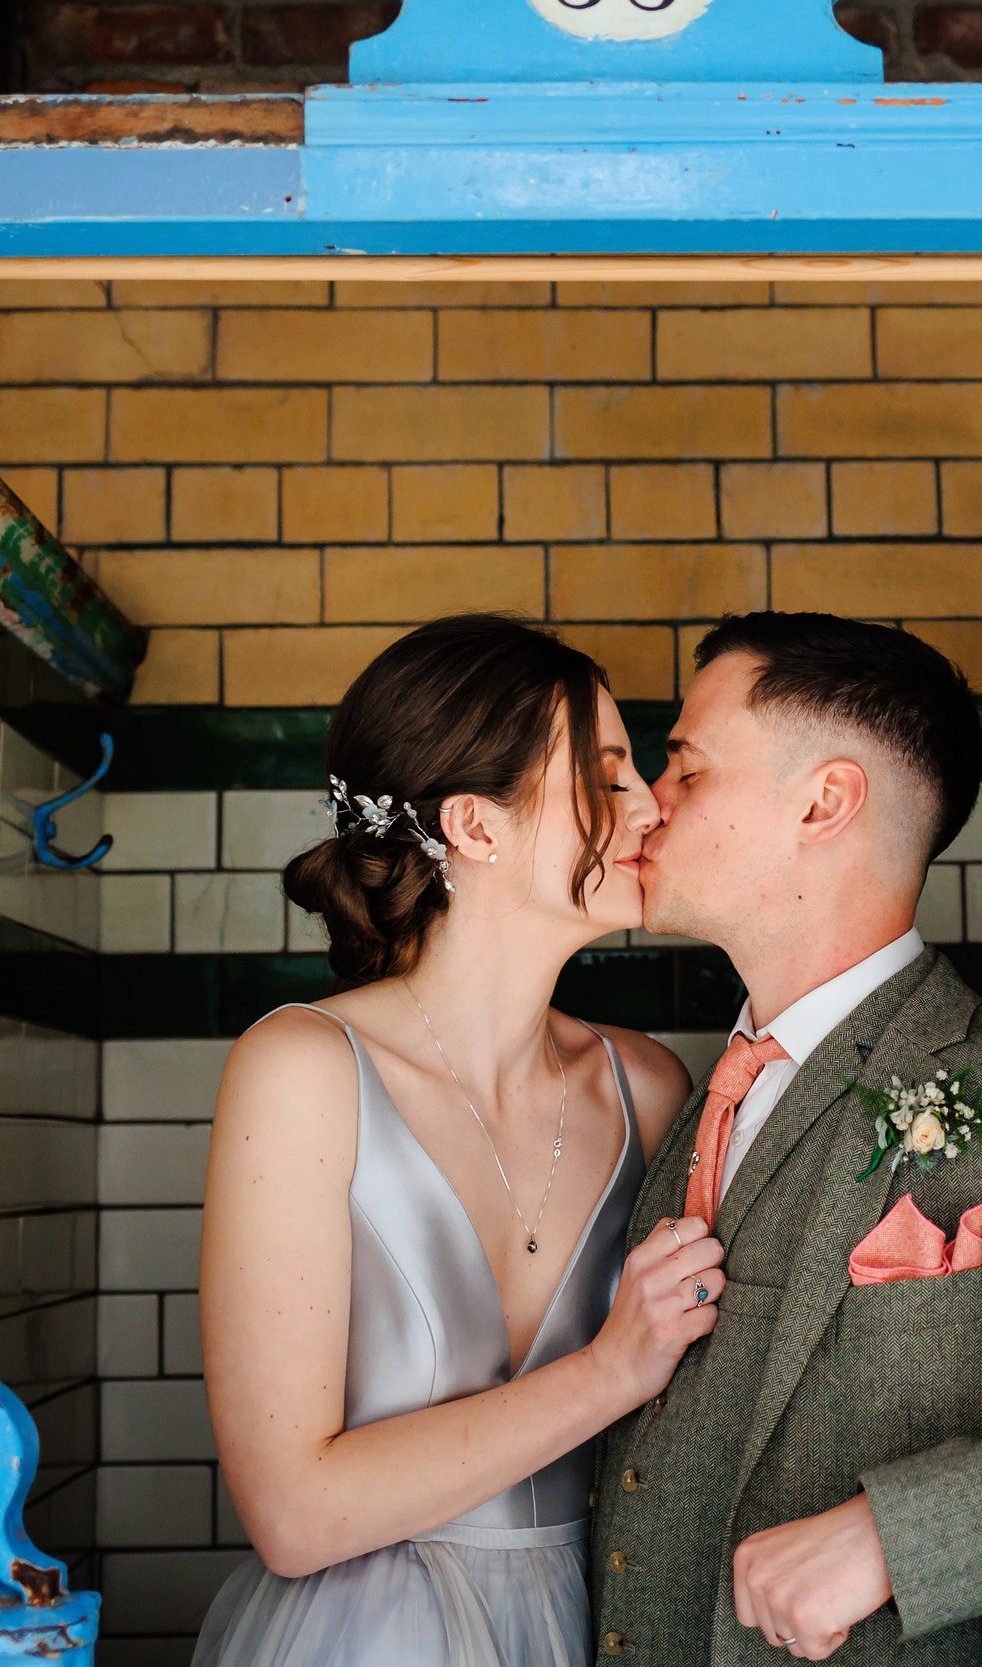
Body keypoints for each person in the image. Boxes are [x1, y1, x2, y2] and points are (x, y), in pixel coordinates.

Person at [589, 611, 982, 1665]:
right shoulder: (690, 1096)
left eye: (685, 766)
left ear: (823, 800)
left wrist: (905, 1529)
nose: (647, 803)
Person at [195, 614, 714, 1667]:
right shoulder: (301, 1069)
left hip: (602, 1625)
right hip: (368, 1636)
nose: (651, 808)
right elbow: (293, 1513)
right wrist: (612, 1367)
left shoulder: (649, 1084)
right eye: (608, 778)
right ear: (475, 826)